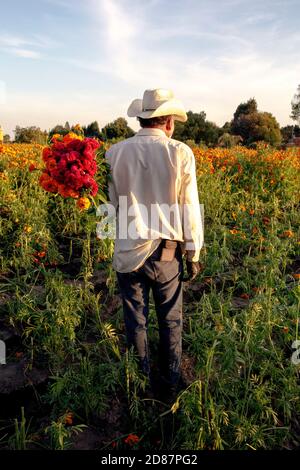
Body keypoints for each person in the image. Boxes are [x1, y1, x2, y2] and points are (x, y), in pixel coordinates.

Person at [105, 88, 204, 399]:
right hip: (166, 253)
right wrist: (193, 251)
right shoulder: (179, 152)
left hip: (126, 251)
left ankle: (139, 382)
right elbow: (189, 206)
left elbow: (107, 205)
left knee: (135, 320)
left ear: (140, 119)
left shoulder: (114, 152)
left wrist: (111, 239)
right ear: (169, 122)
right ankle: (170, 384)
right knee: (170, 321)